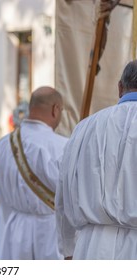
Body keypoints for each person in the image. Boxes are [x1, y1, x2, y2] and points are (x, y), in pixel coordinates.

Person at [56, 60, 137, 260]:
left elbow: (64, 191)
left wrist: (67, 248)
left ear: (120, 87)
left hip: (92, 245)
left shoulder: (85, 127)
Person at [0, 86, 67, 259]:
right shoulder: (62, 146)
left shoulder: (2, 145)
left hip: (14, 228)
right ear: (55, 110)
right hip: (50, 233)